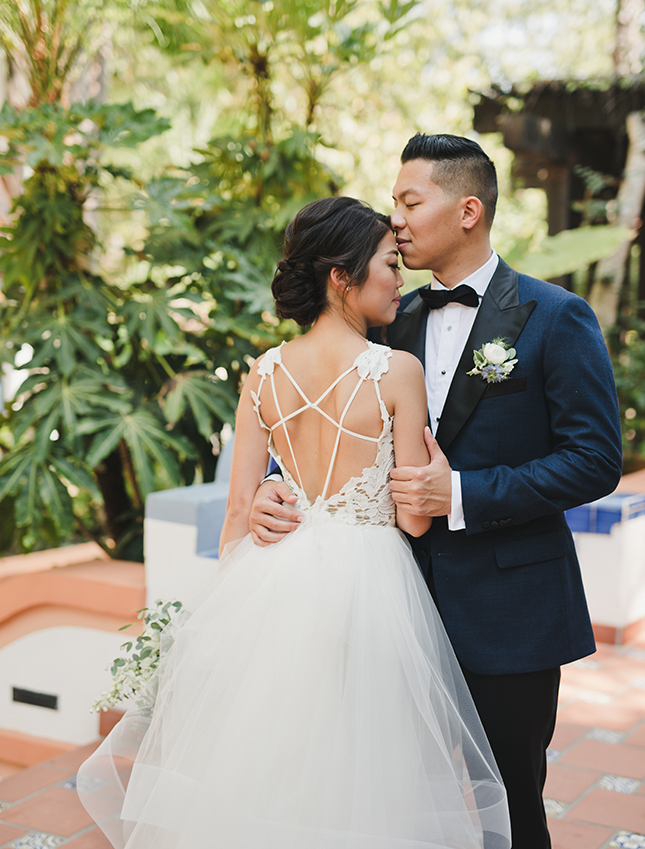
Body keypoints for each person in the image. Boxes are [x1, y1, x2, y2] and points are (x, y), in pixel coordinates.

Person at [77, 196, 511, 849]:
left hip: (274, 577)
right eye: (388, 264)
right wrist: (433, 481)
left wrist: (240, 592)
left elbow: (236, 513)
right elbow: (415, 523)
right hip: (371, 585)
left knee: (270, 758)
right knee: (365, 769)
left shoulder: (264, 372)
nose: (400, 278)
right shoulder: (398, 371)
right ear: (343, 277)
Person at [249, 136, 623, 849]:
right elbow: (332, 422)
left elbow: (595, 459)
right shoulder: (392, 317)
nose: (395, 219)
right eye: (393, 202)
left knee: (512, 803)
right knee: (397, 800)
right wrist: (276, 489)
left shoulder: (554, 316)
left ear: (469, 210)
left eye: (410, 201)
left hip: (511, 610)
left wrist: (463, 492)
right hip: (393, 605)